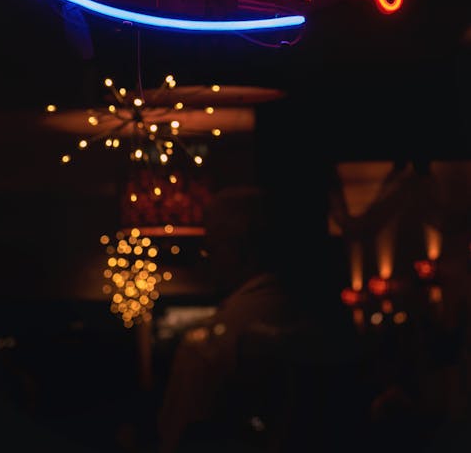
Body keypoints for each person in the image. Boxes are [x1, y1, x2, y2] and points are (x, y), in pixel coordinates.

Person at [155, 183, 366, 453]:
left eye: (211, 248)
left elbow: (178, 433)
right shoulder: (328, 322)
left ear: (238, 247)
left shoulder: (213, 341)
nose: (207, 261)